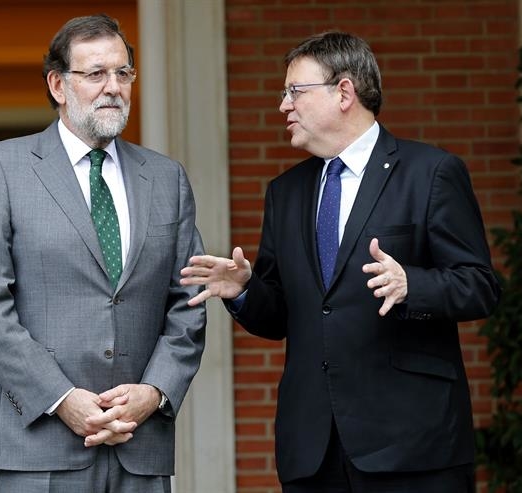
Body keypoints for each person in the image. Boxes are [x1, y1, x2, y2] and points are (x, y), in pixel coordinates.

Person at [181, 31, 500, 492]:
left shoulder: (430, 173)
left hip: (412, 446)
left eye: (295, 91)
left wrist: (412, 285)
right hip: (313, 450)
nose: (283, 106)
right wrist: (245, 291)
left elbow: (481, 286)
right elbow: (281, 318)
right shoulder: (286, 193)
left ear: (345, 92)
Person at [0, 14, 205, 493]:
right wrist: (61, 398)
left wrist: (154, 392)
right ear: (58, 84)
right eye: (95, 74)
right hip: (41, 443)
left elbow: (188, 302)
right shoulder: (1, 168)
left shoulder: (167, 178)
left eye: (123, 73)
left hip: (141, 443)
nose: (112, 87)